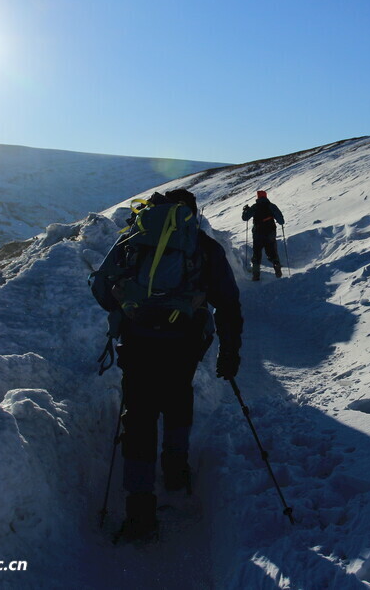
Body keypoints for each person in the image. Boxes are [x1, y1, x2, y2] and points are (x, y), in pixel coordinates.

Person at [115, 188, 243, 541]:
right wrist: (230, 351)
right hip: (183, 342)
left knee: (139, 414)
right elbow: (228, 304)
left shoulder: (136, 239)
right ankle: (175, 468)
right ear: (192, 214)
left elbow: (105, 287)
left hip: (138, 340)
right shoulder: (204, 247)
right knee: (177, 397)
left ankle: (140, 508)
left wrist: (126, 314)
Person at [241, 190, 285, 281]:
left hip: (258, 234)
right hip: (270, 233)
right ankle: (277, 268)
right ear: (265, 196)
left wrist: (245, 210)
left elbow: (245, 218)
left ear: (258, 197)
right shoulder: (271, 206)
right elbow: (281, 221)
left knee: (256, 254)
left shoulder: (255, 207)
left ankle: (256, 275)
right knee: (272, 252)